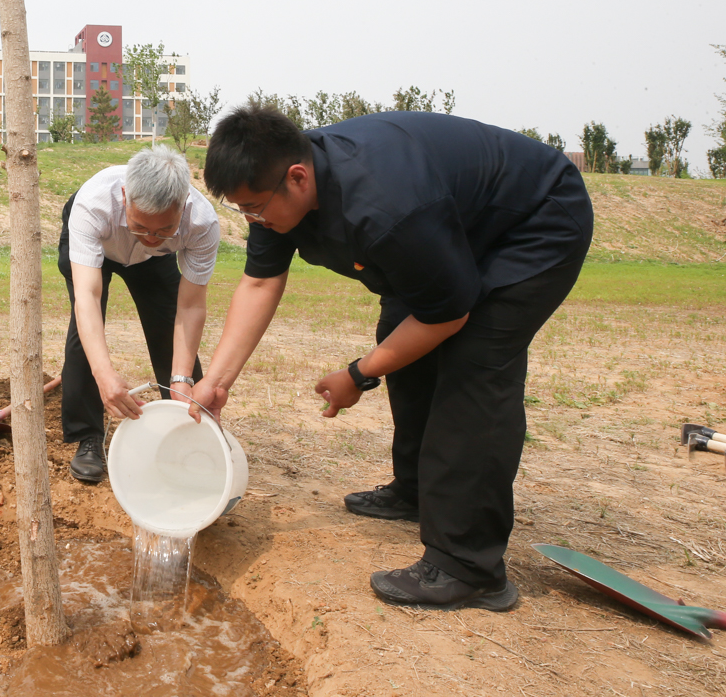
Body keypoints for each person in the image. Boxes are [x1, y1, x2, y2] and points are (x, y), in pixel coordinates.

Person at [192, 104, 592, 611]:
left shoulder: (384, 204)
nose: (253, 220)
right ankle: (418, 490)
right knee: (399, 336)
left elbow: (447, 316)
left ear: (297, 178)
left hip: (533, 221)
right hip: (444, 229)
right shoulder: (279, 180)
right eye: (241, 210)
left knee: (474, 369)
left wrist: (358, 374)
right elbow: (260, 280)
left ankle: (468, 566)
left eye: (253, 208)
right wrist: (219, 382)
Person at [58, 145, 221, 483]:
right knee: (85, 335)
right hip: (98, 250)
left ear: (182, 207)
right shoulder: (93, 203)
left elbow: (190, 306)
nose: (149, 237)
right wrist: (106, 377)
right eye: (141, 226)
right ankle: (88, 436)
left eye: (164, 229)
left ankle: (186, 430)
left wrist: (181, 378)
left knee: (167, 325)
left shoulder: (202, 223)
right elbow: (87, 295)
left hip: (154, 262)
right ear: (124, 196)